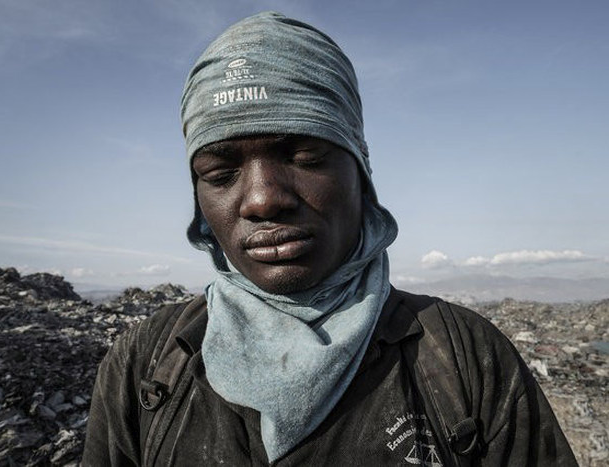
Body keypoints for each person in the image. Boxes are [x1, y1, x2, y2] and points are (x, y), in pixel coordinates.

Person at [83, 12, 576, 466]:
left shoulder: (464, 358)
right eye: (221, 172)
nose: (261, 200)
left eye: (304, 156)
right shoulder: (146, 363)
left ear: (360, 173)